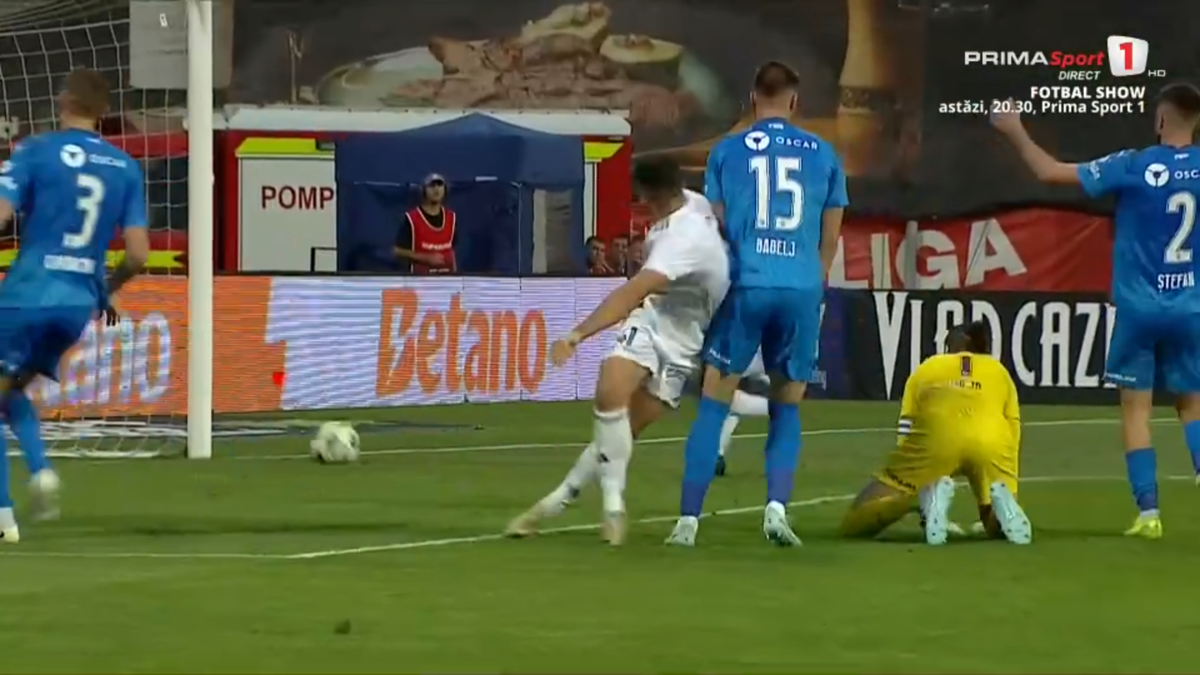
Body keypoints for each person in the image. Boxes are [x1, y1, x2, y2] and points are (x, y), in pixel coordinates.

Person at [991, 83, 1200, 539]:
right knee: (1192, 404)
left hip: (1139, 308)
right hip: (1190, 307)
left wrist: (1013, 129)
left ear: (1161, 119)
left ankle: (1149, 514)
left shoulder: (1132, 165)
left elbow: (1050, 172)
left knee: (1136, 411)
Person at [667, 60, 848, 547]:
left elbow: (718, 225)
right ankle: (776, 509)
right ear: (795, 101)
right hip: (800, 287)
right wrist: (812, 282)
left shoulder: (726, 151)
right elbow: (831, 236)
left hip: (747, 283)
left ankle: (688, 521)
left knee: (713, 402)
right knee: (786, 406)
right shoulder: (824, 153)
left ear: (751, 99)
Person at [506, 156, 729, 545]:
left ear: (649, 195)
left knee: (622, 432)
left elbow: (628, 294)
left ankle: (557, 500)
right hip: (655, 317)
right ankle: (613, 507)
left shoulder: (680, 241)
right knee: (610, 393)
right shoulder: (696, 203)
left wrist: (577, 335)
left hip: (685, 340)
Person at [0, 68, 149, 541]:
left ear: (63, 101)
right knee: (10, 391)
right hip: (76, 305)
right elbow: (138, 254)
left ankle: (2, 516)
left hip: (26, 295)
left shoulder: (35, 150)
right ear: (103, 112)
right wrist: (106, 288)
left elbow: (0, 215)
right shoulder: (125, 166)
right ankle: (40, 470)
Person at [838, 321, 1030, 544]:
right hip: (993, 442)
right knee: (993, 518)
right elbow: (1013, 427)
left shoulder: (930, 367)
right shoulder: (1000, 372)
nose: (945, 348)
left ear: (962, 343)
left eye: (948, 343)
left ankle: (920, 501)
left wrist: (907, 477)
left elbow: (907, 423)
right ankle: (1003, 511)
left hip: (938, 439)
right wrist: (1008, 478)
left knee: (854, 522)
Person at [394, 174, 456, 274]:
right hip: (420, 279)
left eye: (440, 185)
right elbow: (397, 251)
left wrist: (455, 274)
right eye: (432, 185)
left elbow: (451, 250)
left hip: (446, 279)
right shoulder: (412, 219)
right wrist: (425, 258)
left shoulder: (451, 218)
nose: (436, 189)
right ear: (424, 191)